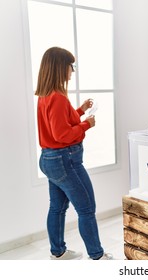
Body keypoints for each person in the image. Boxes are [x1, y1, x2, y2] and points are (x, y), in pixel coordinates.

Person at [35, 47, 113, 260]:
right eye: (71, 66)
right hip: (64, 160)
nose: (73, 71)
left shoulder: (45, 95)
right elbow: (62, 134)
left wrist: (79, 111)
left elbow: (58, 124)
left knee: (57, 207)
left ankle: (57, 252)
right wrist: (86, 124)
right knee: (87, 208)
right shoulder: (58, 97)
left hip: (49, 159)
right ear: (61, 67)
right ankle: (97, 256)